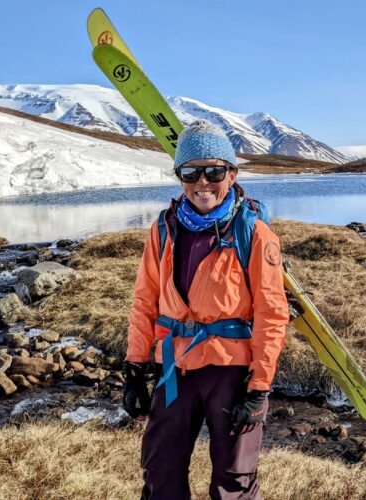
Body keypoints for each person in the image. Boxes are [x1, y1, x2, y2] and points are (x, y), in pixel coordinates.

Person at [122, 120, 289, 499]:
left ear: (231, 174)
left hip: (231, 372)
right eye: (191, 172)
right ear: (179, 176)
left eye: (214, 171)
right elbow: (144, 301)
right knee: (160, 470)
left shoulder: (254, 233)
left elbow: (271, 312)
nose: (203, 182)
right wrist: (134, 369)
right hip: (175, 366)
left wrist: (259, 387)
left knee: (234, 479)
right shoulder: (162, 229)